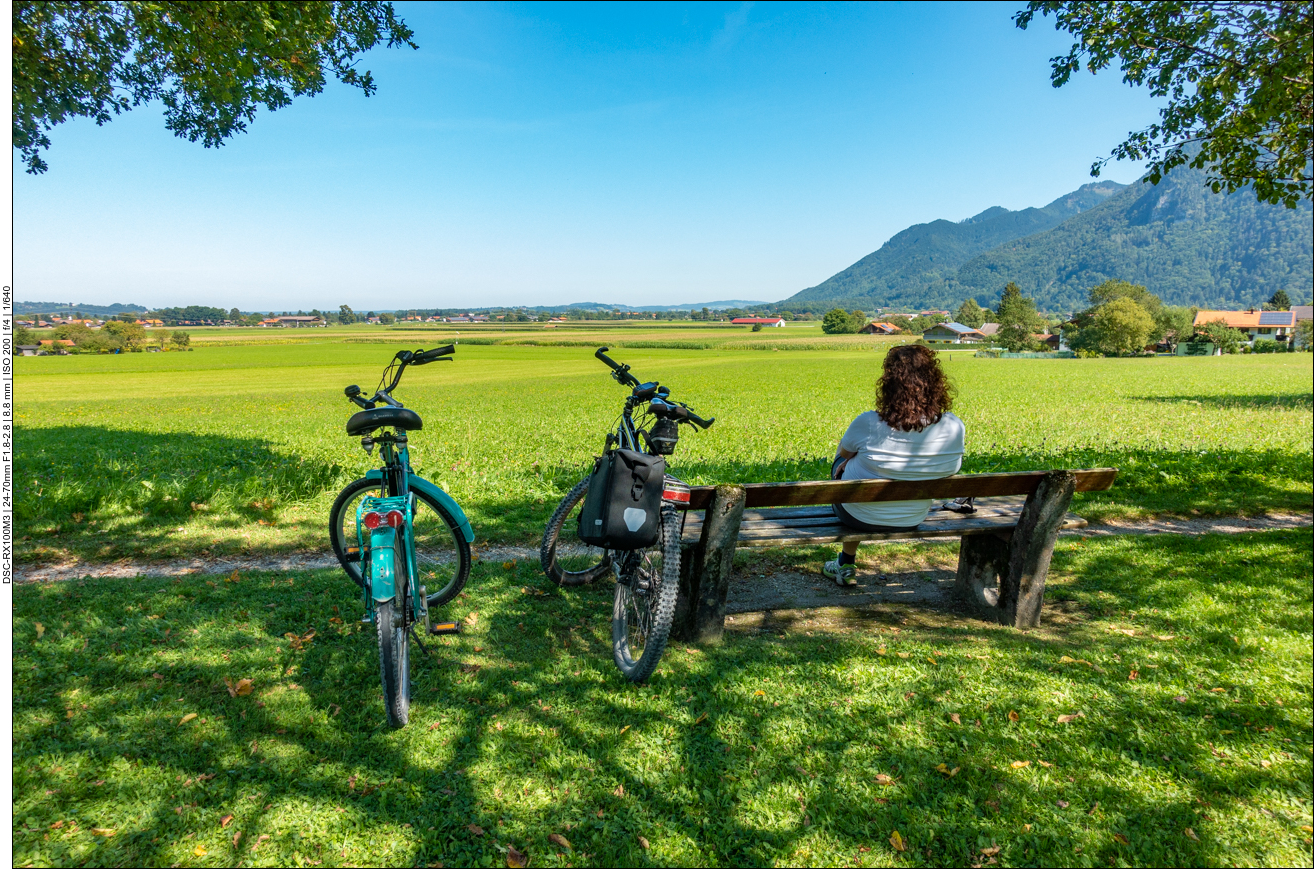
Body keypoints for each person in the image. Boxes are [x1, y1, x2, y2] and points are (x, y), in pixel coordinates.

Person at [823, 344, 965, 586]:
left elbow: (845, 453)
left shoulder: (868, 422)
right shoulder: (953, 426)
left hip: (857, 514)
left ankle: (846, 563)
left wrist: (848, 463)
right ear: (935, 383)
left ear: (888, 384)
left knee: (844, 460)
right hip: (913, 515)